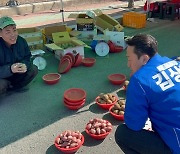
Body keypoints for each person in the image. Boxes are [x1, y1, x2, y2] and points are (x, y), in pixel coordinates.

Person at [115, 34, 180, 154]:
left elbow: (134, 124)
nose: (128, 65)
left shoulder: (140, 80)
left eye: (130, 59)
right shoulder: (174, 63)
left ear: (144, 59)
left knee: (123, 134)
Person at [0, 16, 38, 95]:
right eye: (8, 32)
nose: (13, 35)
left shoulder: (21, 41)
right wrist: (10, 69)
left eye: (14, 30)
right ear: (0, 34)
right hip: (2, 77)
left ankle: (14, 88)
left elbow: (27, 57)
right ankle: (5, 88)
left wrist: (24, 65)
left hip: (17, 74)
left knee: (33, 69)